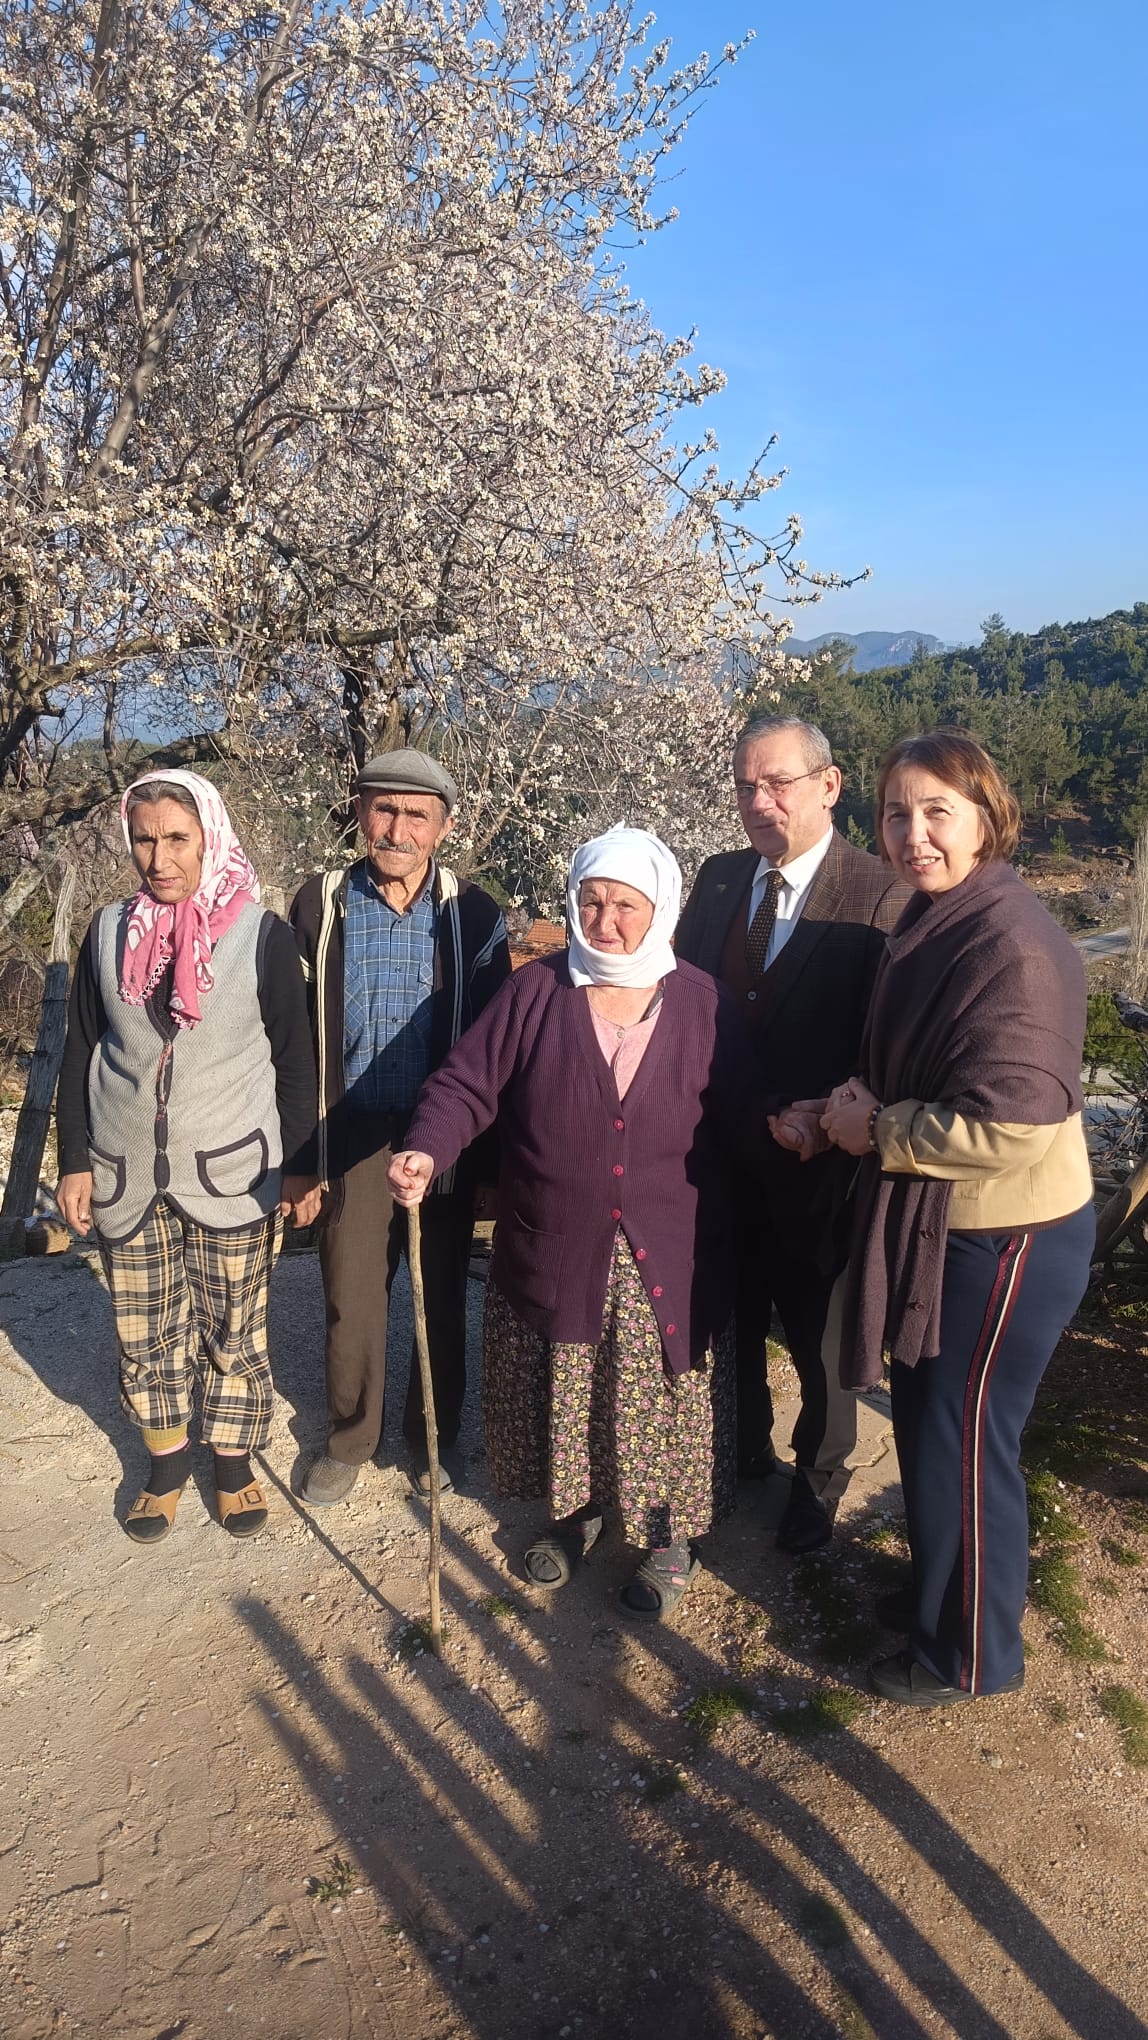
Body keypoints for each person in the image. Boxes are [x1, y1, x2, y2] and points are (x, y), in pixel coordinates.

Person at [796, 731, 1093, 1706]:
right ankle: (944, 1599)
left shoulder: (1009, 945)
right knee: (935, 1434)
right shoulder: (946, 916)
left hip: (1005, 1236)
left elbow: (1008, 1124)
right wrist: (851, 1105)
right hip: (958, 1225)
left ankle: (965, 1658)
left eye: (935, 812)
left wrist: (870, 1126)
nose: (911, 833)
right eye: (894, 813)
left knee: (963, 1445)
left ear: (983, 818)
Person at [387, 826, 748, 1619]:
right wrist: (425, 1148)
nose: (605, 920)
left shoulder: (704, 1002)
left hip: (671, 1251)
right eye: (591, 901)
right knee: (570, 1391)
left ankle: (666, 1539)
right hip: (556, 1239)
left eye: (625, 905)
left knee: (659, 1400)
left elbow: (744, 1122)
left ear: (661, 909)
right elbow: (464, 1087)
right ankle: (578, 1516)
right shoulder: (536, 992)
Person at [55, 770, 320, 1543]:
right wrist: (75, 1160)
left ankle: (232, 1462)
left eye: (177, 839)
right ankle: (166, 1463)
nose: (159, 857)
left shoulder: (260, 935)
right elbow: (80, 1052)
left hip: (233, 1171)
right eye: (145, 839)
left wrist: (301, 1166)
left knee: (235, 1327)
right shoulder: (107, 933)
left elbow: (295, 1058)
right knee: (143, 1330)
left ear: (210, 837)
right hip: (124, 1169)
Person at [675, 715, 909, 1552]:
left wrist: (827, 1114)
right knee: (726, 1313)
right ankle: (737, 1451)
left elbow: (892, 1035)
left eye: (777, 783)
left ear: (829, 786)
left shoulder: (883, 894)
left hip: (821, 1163)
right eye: (745, 785)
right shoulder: (714, 880)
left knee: (818, 1332)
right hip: (723, 1151)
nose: (759, 801)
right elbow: (685, 1002)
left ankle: (819, 1476)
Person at [290, 750, 510, 1504]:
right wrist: (304, 1157)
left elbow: (494, 1040)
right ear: (358, 811)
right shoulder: (322, 904)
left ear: (444, 826)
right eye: (384, 809)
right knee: (353, 1293)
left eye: (418, 814)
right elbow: (294, 1041)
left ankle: (433, 1437)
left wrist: (486, 1155)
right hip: (350, 1131)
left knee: (441, 1291)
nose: (398, 828)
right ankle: (351, 1438)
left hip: (438, 1136)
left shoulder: (472, 913)